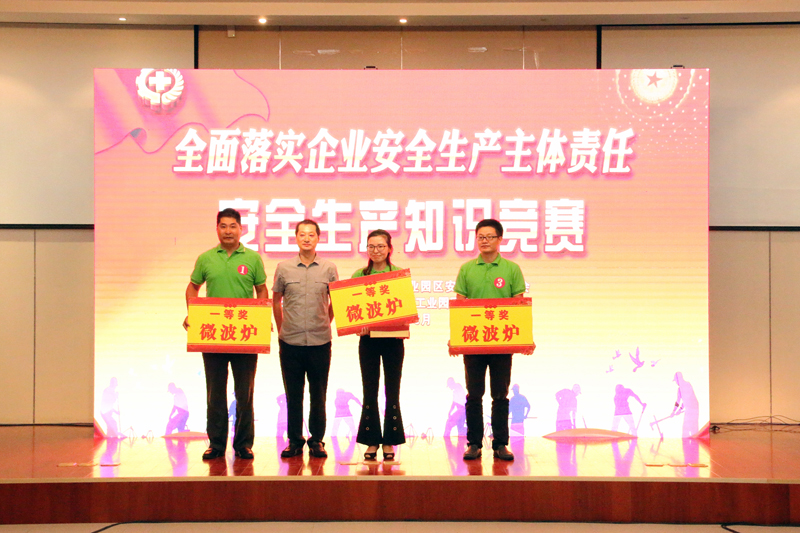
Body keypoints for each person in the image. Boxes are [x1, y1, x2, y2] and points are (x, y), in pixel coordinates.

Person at [184, 207, 267, 461]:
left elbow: (262, 290)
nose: (228, 231)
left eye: (233, 226)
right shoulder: (206, 258)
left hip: (245, 336)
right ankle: (216, 444)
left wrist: (262, 317)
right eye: (223, 226)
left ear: (241, 229)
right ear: (217, 229)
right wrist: (193, 313)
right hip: (214, 335)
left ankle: (244, 444)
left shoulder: (252, 258)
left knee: (245, 393)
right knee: (215, 393)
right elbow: (192, 287)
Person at [450, 219, 534, 461]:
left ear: (500, 239)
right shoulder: (467, 269)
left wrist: (525, 339)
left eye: (489, 236)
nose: (484, 241)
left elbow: (518, 308)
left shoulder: (511, 269)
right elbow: (461, 308)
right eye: (480, 237)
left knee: (500, 395)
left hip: (501, 343)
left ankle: (500, 444)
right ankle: (474, 443)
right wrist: (455, 339)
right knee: (474, 395)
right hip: (474, 343)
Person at [273, 219, 338, 459]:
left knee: (318, 394)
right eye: (302, 234)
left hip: (320, 341)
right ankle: (295, 440)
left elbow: (336, 301)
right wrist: (282, 328)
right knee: (293, 394)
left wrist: (325, 322)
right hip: (290, 341)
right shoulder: (284, 268)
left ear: (318, 238)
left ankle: (317, 440)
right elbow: (276, 300)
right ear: (296, 237)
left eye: (311, 234)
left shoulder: (329, 268)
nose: (307, 238)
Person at [352, 229, 407, 461]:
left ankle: (390, 441)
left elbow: (405, 308)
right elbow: (352, 309)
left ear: (389, 249)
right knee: (369, 390)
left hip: (394, 341)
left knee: (392, 391)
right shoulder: (359, 275)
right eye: (371, 246)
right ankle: (372, 440)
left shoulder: (398, 275)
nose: (376, 251)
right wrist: (358, 325)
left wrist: (402, 325)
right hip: (368, 342)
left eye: (381, 246)